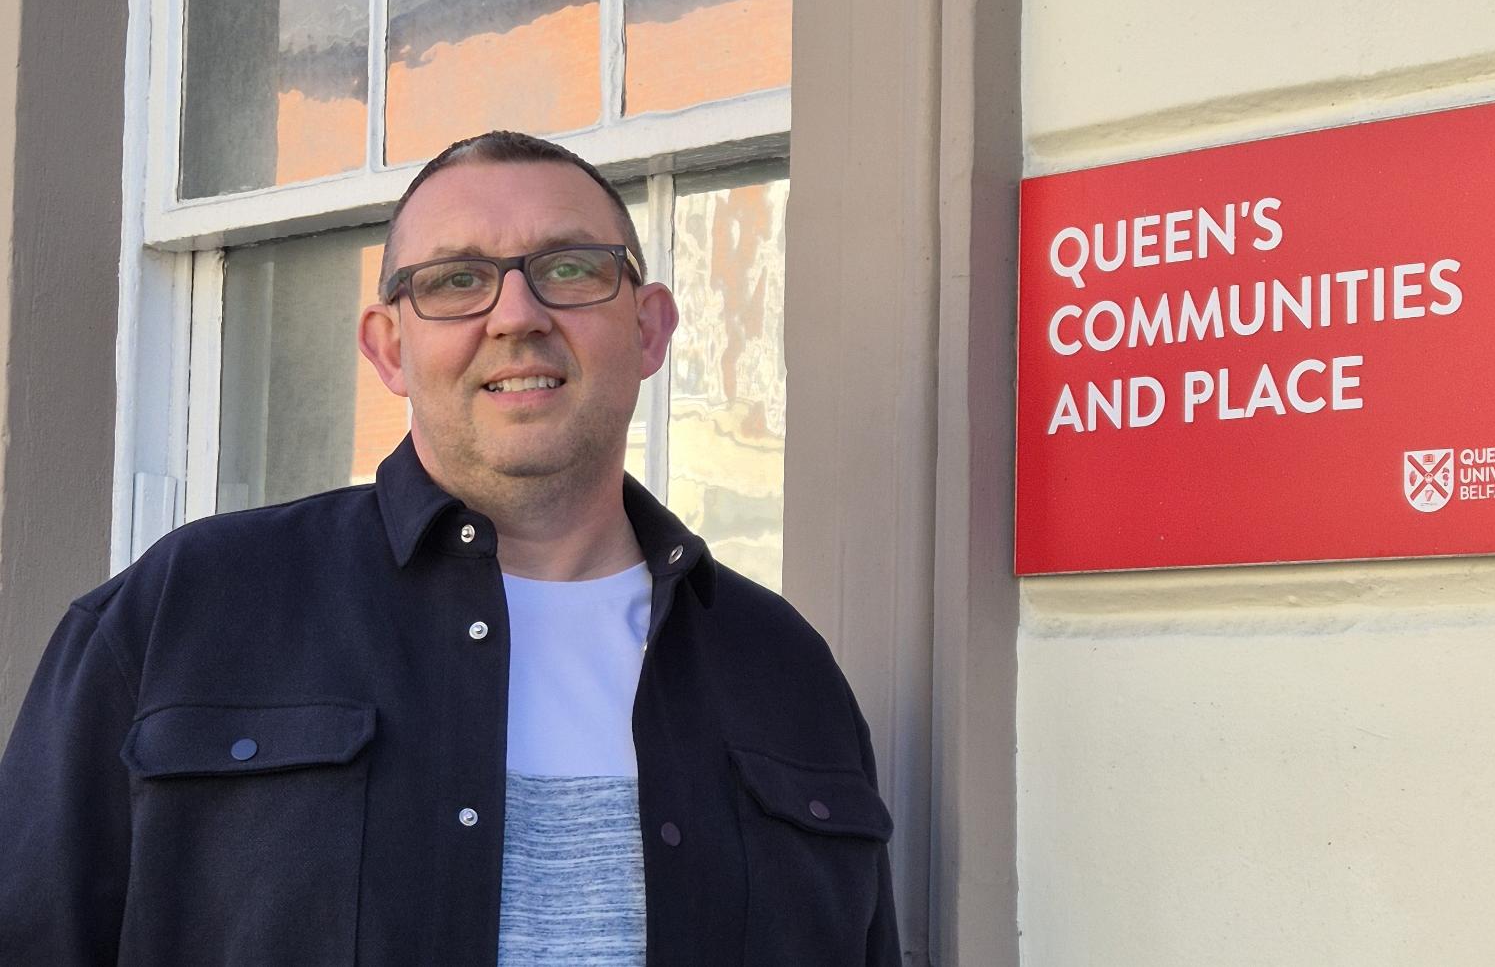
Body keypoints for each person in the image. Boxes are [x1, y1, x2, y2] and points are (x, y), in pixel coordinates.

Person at [0, 132, 900, 966]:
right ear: (388, 348)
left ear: (648, 329)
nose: (516, 315)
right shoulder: (182, 612)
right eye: (456, 280)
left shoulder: (784, 671)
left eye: (571, 268)